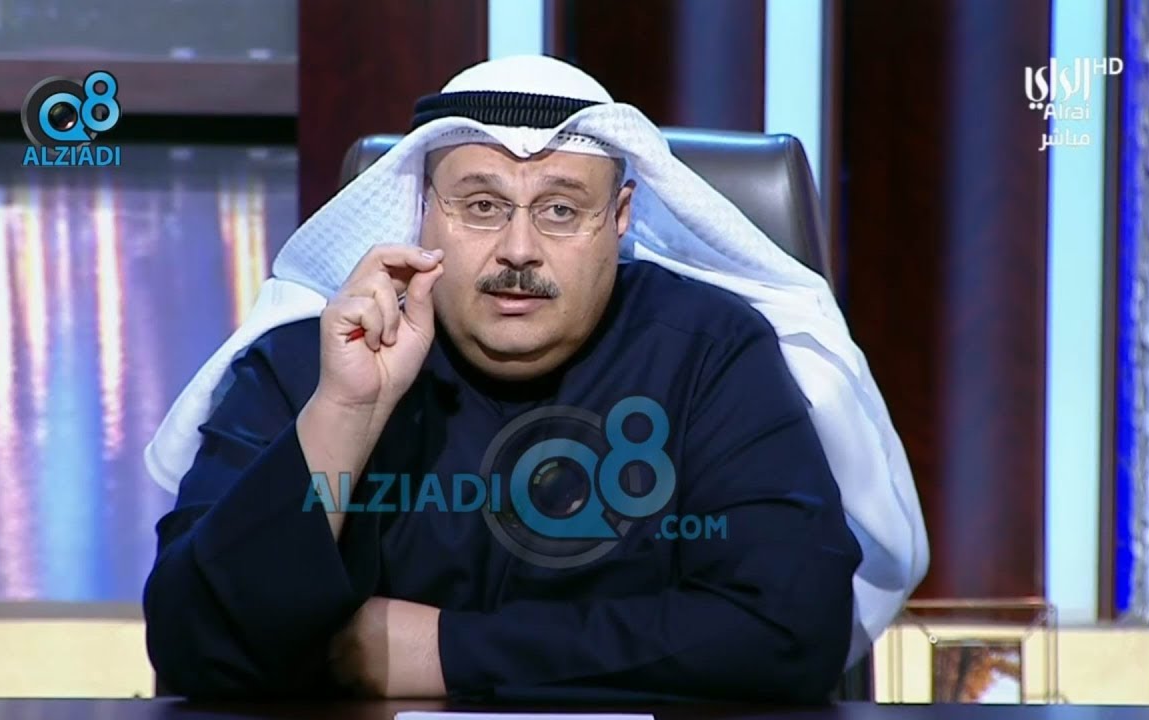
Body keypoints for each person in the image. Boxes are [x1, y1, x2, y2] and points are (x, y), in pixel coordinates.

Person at [141, 55, 929, 704]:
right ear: (423, 211)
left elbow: (790, 632)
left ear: (620, 218)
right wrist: (346, 409)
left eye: (560, 211)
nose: (519, 249)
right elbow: (193, 645)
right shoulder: (310, 363)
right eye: (482, 205)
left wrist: (440, 650)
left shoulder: (711, 355)